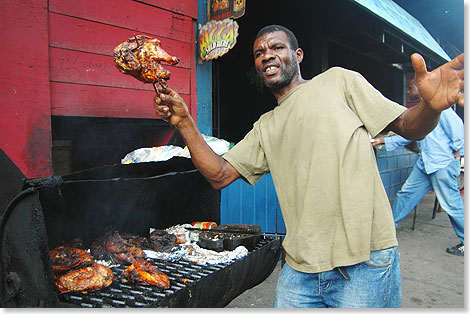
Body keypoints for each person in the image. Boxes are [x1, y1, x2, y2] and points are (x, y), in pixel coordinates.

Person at [152, 25, 464, 308]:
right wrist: (184, 123)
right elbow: (219, 174)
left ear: (298, 55)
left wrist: (430, 108)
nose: (267, 56)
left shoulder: (339, 81)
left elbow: (409, 126)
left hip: (363, 262)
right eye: (259, 53)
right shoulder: (266, 126)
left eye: (277, 47)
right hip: (300, 272)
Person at [372, 79, 464, 256]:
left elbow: (457, 129)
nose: (408, 91)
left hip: (442, 163)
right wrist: (383, 140)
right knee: (405, 195)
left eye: (410, 87)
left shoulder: (438, 106)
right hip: (426, 163)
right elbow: (411, 134)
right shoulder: (422, 108)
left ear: (421, 88)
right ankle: (387, 232)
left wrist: (457, 154)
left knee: (451, 204)